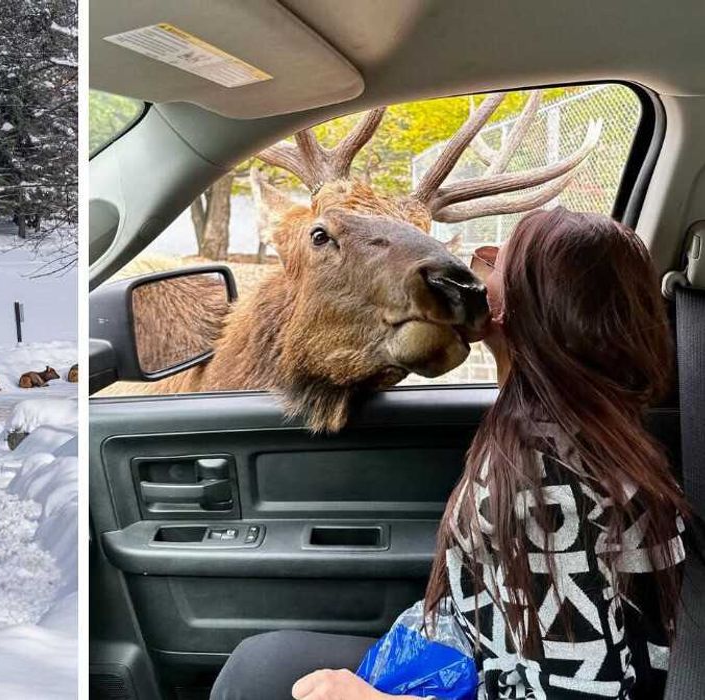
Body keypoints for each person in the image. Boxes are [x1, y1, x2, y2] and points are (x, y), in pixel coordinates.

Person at [210, 208, 690, 699]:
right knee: (257, 663)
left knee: (252, 676)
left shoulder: (549, 490)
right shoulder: (585, 423)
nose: (475, 267)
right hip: (479, 647)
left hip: (494, 673)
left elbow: (582, 691)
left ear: (524, 306)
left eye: (497, 262)